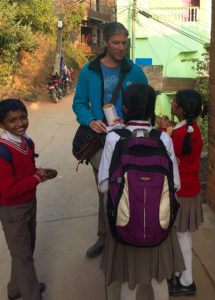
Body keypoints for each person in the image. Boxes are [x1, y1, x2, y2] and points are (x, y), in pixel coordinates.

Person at [98, 83, 185, 300]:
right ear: (152, 108)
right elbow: (176, 185)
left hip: (125, 223)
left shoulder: (114, 138)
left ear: (124, 109)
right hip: (159, 223)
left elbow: (103, 185)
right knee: (159, 280)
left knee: (130, 281)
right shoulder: (163, 138)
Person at [73, 22, 148, 258]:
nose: (121, 47)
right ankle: (105, 239)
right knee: (105, 192)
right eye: (116, 42)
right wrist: (90, 120)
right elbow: (79, 103)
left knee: (130, 189)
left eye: (124, 43)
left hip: (130, 141)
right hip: (101, 142)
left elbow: (146, 101)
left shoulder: (135, 71)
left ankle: (130, 236)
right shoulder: (89, 70)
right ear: (105, 42)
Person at [0, 99, 57, 300]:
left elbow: (25, 173)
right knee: (23, 255)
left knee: (25, 248)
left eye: (23, 117)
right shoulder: (3, 151)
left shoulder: (27, 142)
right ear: (2, 125)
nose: (20, 123)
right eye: (12, 120)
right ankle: (31, 294)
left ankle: (15, 289)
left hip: (29, 203)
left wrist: (38, 173)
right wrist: (36, 178)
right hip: (12, 210)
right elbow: (8, 191)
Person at [160, 89, 204, 296]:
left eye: (174, 101)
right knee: (182, 236)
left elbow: (166, 154)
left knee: (182, 237)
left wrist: (162, 130)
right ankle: (181, 274)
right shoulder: (192, 129)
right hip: (192, 189)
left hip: (181, 193)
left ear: (180, 109)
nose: (171, 102)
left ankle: (186, 281)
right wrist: (168, 128)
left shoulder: (178, 135)